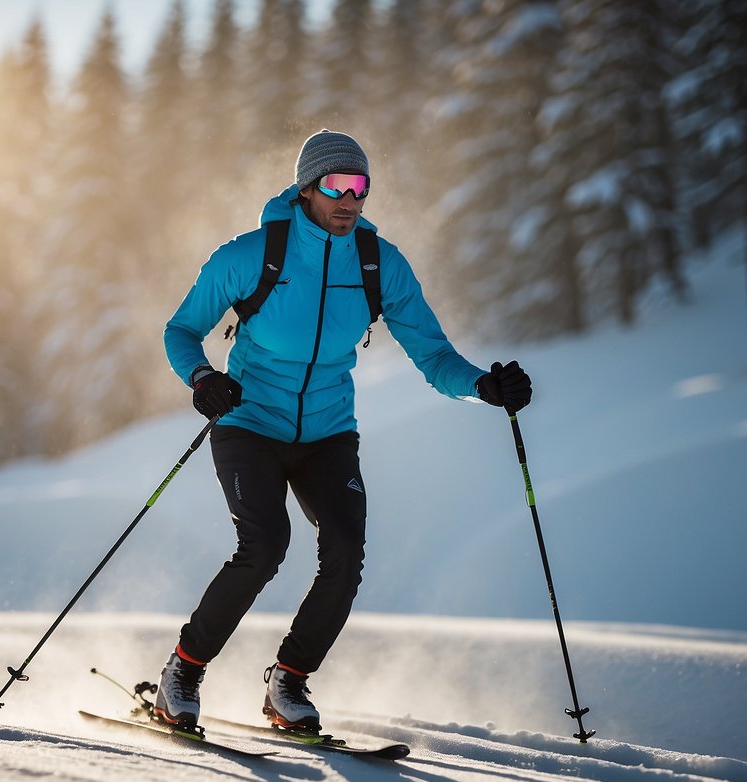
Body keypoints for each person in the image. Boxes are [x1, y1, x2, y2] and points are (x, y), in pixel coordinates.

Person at [156, 129, 532, 733]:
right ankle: (184, 670)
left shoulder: (378, 264)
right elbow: (181, 330)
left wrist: (484, 385)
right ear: (308, 188)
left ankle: (288, 681)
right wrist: (203, 378)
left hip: (329, 431)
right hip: (249, 421)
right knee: (265, 547)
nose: (351, 199)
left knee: (346, 553)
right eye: (337, 185)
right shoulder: (250, 256)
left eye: (361, 187)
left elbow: (433, 355)